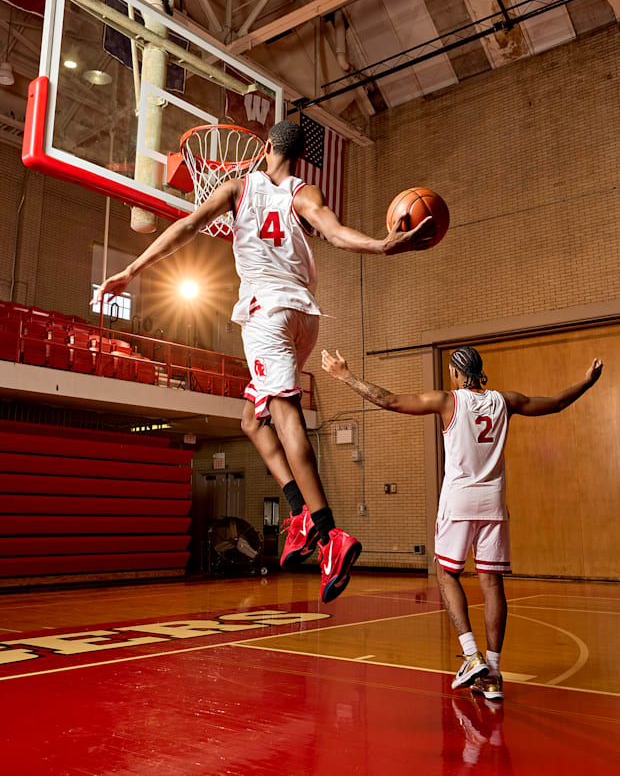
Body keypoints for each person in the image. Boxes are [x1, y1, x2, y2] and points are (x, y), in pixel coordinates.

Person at [93, 120, 430, 604]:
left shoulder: (238, 187)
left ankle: (330, 533)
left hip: (266, 313)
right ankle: (298, 512)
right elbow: (334, 234)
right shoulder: (304, 193)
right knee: (252, 419)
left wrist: (130, 270)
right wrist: (380, 244)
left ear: (266, 148)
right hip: (304, 316)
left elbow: (186, 227)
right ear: (300, 156)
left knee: (285, 413)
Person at [321, 345, 602, 694]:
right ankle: (492, 674)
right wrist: (587, 382)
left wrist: (345, 376)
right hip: (494, 503)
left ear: (455, 372)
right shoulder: (506, 401)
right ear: (479, 369)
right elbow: (556, 403)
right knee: (492, 583)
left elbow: (389, 401)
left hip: (458, 502)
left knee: (445, 573)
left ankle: (471, 655)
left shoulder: (448, 401)